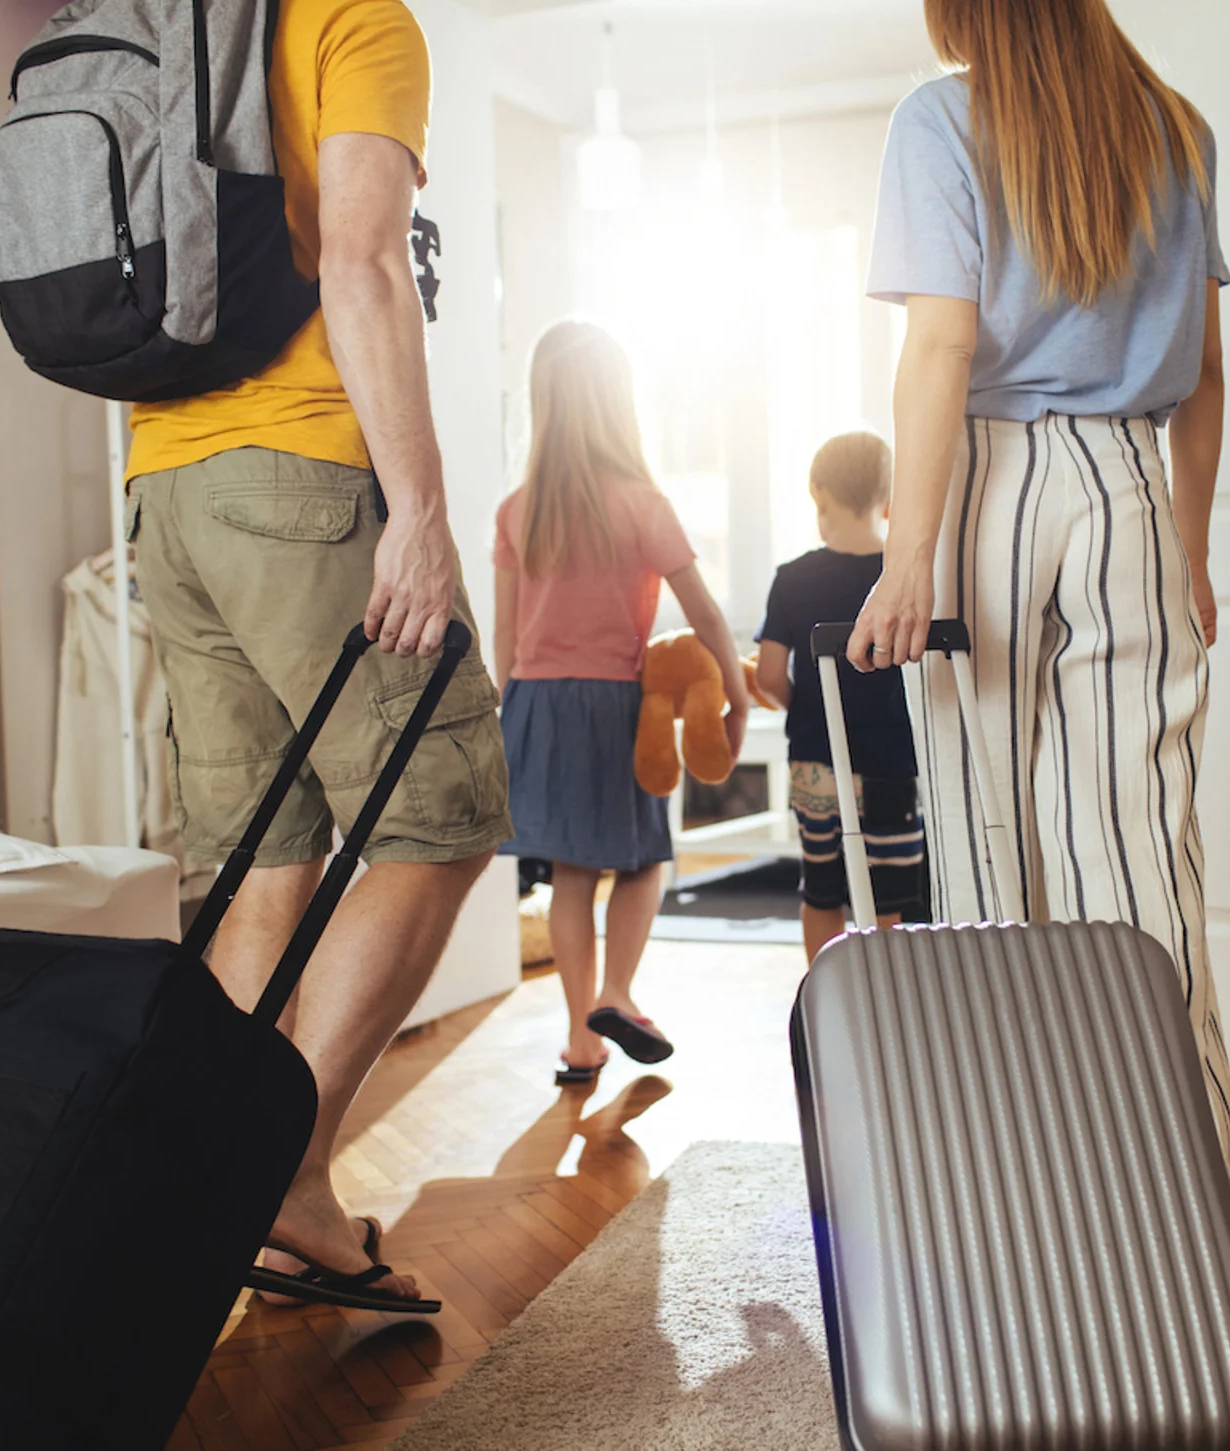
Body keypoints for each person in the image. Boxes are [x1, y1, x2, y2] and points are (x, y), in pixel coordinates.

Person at [845, 0, 1230, 1266]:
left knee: (989, 869)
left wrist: (908, 550)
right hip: (1132, 484)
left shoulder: (941, 120)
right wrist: (1185, 542)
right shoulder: (1174, 129)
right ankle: (1207, 1252)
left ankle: (1030, 1240)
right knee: (1143, 869)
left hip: (987, 489)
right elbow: (1209, 369)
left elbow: (939, 346)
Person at [125, 0, 508, 1309]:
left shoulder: (175, 26)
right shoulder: (358, 21)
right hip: (301, 476)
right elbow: (361, 261)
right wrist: (422, 509)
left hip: (163, 485)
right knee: (445, 808)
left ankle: (214, 1188)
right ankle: (283, 1174)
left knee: (266, 853)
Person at [493, 321, 749, 1086]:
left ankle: (581, 1042)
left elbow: (504, 646)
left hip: (536, 706)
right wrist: (734, 685)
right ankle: (618, 992)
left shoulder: (517, 510)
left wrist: (509, 729)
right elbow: (702, 612)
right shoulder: (642, 503)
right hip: (615, 707)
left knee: (572, 875)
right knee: (642, 861)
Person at [755, 432, 927, 961]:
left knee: (821, 889)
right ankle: (891, 1000)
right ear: (891, 501)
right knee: (890, 899)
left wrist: (802, 707)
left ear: (817, 493)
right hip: (890, 765)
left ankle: (828, 998)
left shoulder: (791, 579)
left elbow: (766, 675)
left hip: (816, 764)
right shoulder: (902, 581)